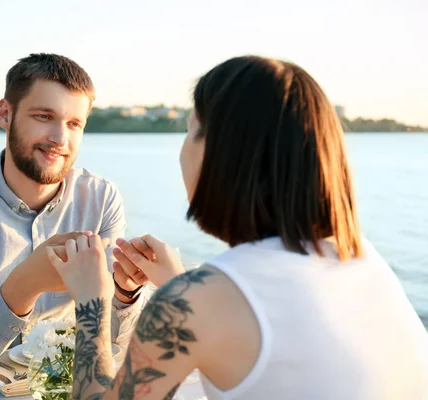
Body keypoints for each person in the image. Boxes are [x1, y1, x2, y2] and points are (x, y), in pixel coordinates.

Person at [46, 56, 428, 399]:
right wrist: (177, 282)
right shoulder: (359, 255)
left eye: (190, 129)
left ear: (220, 155)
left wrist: (91, 300)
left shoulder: (194, 302)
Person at [0, 53, 151, 375]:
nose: (59, 138)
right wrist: (27, 283)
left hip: (61, 385)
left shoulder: (101, 199)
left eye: (74, 124)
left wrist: (125, 291)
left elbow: (111, 344)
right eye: (44, 116)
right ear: (5, 113)